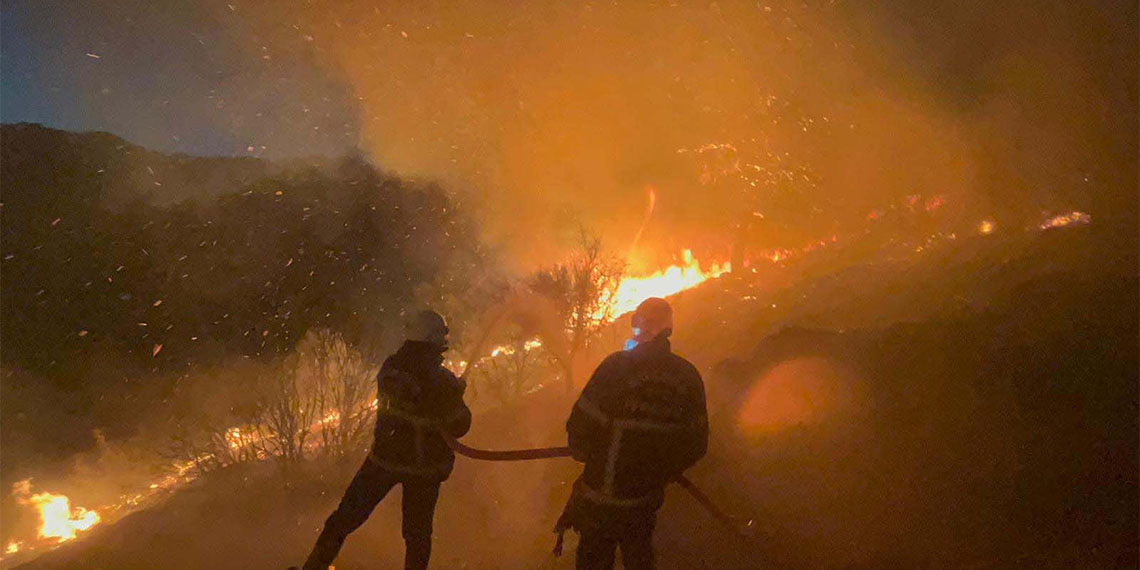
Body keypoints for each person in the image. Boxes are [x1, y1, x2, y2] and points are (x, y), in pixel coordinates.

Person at [292, 310, 471, 570]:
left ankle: (314, 567)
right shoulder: (435, 381)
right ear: (434, 339)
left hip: (387, 462)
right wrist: (451, 395)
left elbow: (439, 412)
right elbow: (458, 424)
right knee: (416, 536)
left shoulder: (394, 369)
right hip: (418, 468)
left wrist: (450, 394)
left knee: (344, 521)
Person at [559, 297, 709, 570]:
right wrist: (660, 471)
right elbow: (696, 445)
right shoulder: (687, 378)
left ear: (639, 327)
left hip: (598, 502)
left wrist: (589, 453)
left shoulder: (616, 367)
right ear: (668, 330)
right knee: (639, 559)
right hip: (643, 504)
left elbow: (579, 431)